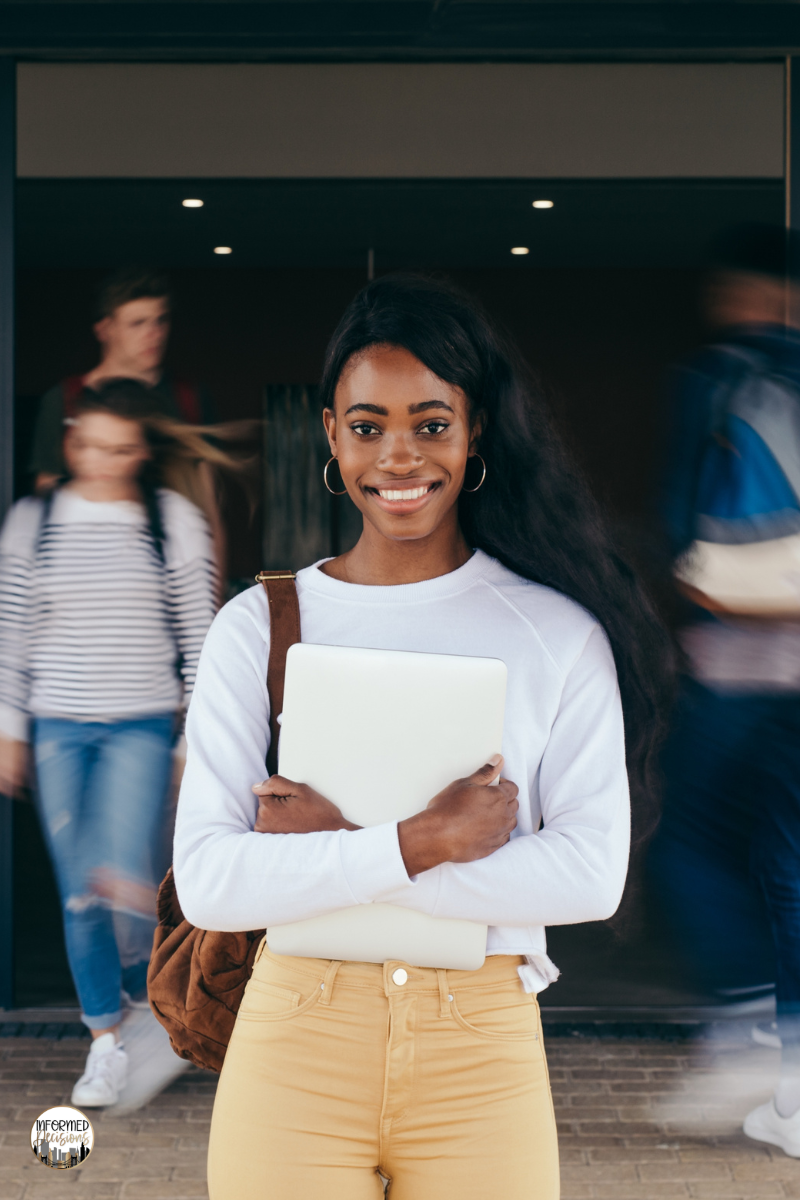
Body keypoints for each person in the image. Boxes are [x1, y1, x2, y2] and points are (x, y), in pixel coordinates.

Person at [173, 275, 671, 1199]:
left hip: (479, 1051)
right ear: (330, 433)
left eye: (431, 423)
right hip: (296, 1040)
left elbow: (589, 875)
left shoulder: (557, 631)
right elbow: (211, 879)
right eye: (367, 426)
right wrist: (423, 841)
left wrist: (336, 856)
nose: (398, 456)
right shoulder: (259, 624)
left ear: (476, 429)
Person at [0, 380, 218, 1107]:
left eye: (120, 449)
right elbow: (11, 635)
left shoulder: (171, 520)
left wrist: (192, 742)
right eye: (89, 445)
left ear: (141, 451)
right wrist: (8, 728)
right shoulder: (34, 523)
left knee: (122, 873)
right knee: (78, 894)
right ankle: (106, 1041)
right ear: (70, 442)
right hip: (56, 725)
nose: (102, 460)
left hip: (141, 724)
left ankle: (147, 1010)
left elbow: (200, 638)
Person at [653, 223, 800, 1156]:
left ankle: (747, 1019)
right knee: (790, 865)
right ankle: (788, 1067)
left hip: (736, 664)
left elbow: (679, 520)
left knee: (686, 843)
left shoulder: (716, 376)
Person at [29, 266, 226, 595]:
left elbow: (210, 507)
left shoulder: (188, 399)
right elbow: (45, 499)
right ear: (105, 329)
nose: (155, 334)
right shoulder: (66, 399)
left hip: (174, 578)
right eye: (138, 323)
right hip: (85, 579)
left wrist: (213, 598)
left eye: (160, 320)